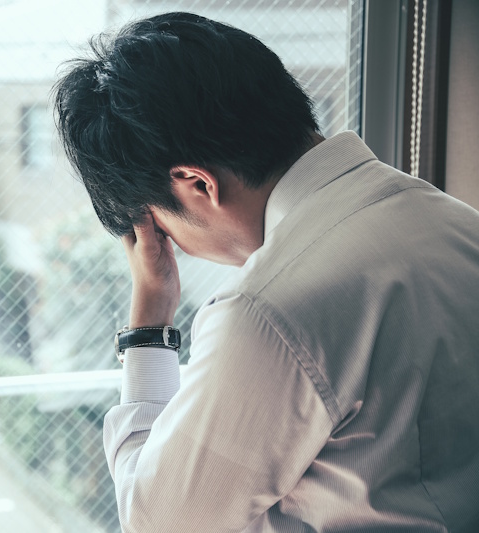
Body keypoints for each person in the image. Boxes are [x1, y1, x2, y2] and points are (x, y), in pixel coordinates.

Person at [53, 12, 479, 532]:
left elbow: (161, 522)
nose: (172, 246)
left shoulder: (269, 311)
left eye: (157, 223)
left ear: (197, 185)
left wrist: (147, 331)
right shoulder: (451, 219)